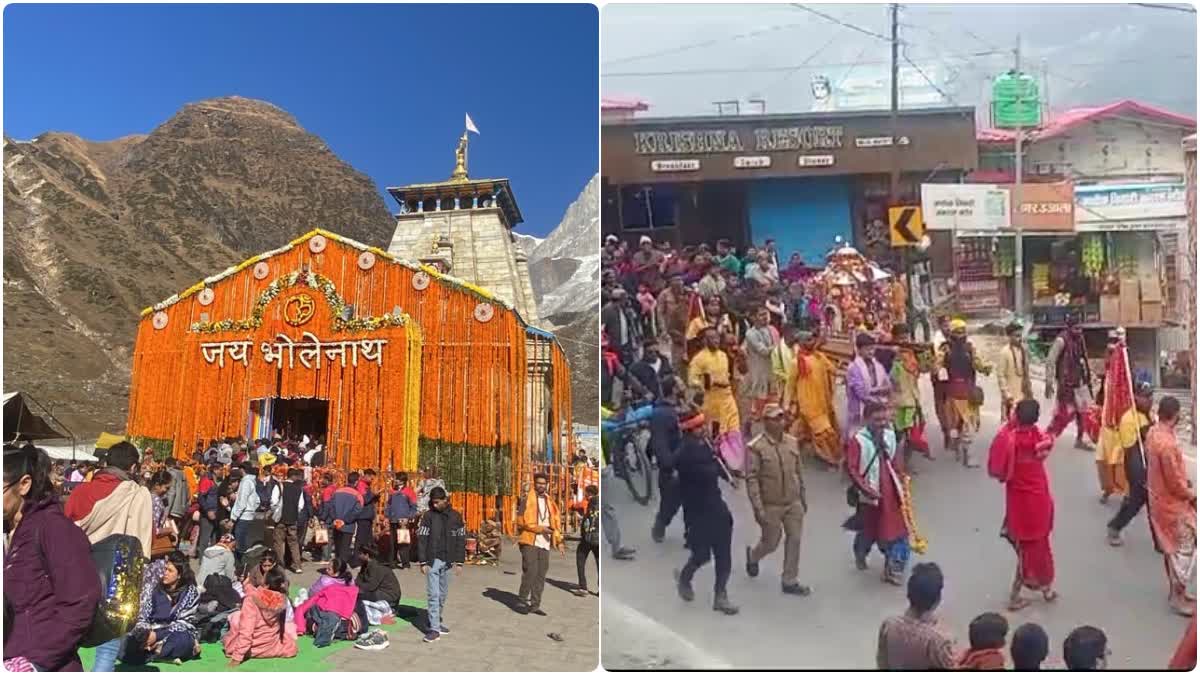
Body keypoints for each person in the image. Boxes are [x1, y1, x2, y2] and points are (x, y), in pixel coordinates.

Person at [3, 445, 101, 671]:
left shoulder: (54, 528)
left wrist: (36, 660)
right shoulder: (9, 530)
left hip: (41, 663)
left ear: (24, 485)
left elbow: (81, 600)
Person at [64, 440, 155, 672]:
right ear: (133, 467)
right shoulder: (137, 494)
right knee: (108, 642)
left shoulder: (81, 491)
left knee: (67, 641)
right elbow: (141, 543)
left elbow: (64, 532)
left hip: (76, 575)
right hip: (115, 577)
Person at [987, 399, 1058, 611]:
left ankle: (1028, 591)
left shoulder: (1008, 439)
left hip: (1018, 502)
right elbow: (1049, 439)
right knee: (1039, 547)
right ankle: (1038, 589)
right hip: (1039, 499)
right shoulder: (1041, 439)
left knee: (1025, 550)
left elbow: (996, 469)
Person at [673, 409, 739, 615]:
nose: (703, 430)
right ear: (689, 431)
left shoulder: (705, 446)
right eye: (699, 427)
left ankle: (720, 595)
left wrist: (728, 475)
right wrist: (714, 461)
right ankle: (685, 577)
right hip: (698, 511)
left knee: (723, 554)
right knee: (701, 555)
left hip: (716, 506)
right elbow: (706, 471)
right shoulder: (684, 454)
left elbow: (717, 466)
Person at [744, 404, 811, 596]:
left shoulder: (791, 442)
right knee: (771, 542)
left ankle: (789, 580)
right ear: (766, 422)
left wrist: (803, 496)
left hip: (792, 501)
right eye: (776, 418)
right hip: (770, 504)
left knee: (795, 539)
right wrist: (758, 508)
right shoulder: (756, 447)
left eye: (782, 417)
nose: (781, 421)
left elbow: (799, 471)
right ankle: (754, 556)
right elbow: (752, 480)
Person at [846, 401, 910, 585]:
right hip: (870, 496)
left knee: (897, 532)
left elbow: (896, 461)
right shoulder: (858, 440)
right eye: (877, 420)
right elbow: (852, 469)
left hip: (891, 493)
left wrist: (902, 481)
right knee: (869, 531)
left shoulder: (890, 435)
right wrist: (867, 491)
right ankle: (861, 553)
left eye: (884, 419)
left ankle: (892, 569)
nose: (882, 423)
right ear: (866, 419)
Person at [1145, 396, 1197, 616]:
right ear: (1175, 415)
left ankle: (1176, 593)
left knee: (1171, 551)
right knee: (1182, 552)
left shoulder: (1153, 433)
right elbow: (1175, 482)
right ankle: (1178, 596)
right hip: (1172, 506)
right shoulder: (1167, 444)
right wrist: (1192, 495)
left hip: (1159, 500)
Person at [123, 551, 201, 666]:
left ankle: (151, 654)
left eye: (170, 571)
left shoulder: (191, 592)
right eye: (165, 569)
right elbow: (143, 616)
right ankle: (159, 655)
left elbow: (185, 623)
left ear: (179, 575)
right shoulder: (154, 589)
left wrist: (158, 635)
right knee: (127, 643)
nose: (165, 573)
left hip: (176, 632)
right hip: (152, 630)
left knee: (182, 641)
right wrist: (147, 634)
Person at [876, 562, 956, 669]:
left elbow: (882, 661)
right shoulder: (938, 640)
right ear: (937, 601)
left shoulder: (889, 625)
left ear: (908, 594)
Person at [689, 326, 744, 474]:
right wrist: (706, 382)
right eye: (712, 338)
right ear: (705, 341)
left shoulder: (723, 356)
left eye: (717, 338)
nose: (716, 340)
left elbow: (729, 376)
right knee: (718, 434)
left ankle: (735, 464)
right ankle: (721, 461)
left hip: (727, 397)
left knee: (734, 430)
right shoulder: (699, 359)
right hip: (711, 401)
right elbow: (692, 380)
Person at [938, 319, 992, 468]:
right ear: (952, 333)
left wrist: (986, 368)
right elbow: (936, 365)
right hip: (953, 390)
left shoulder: (970, 348)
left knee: (968, 424)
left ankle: (967, 453)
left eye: (963, 331)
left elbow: (978, 363)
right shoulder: (944, 349)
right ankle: (959, 447)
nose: (961, 335)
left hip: (968, 391)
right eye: (958, 332)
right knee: (956, 423)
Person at [1104, 383, 1154, 543]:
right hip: (1136, 465)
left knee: (1149, 502)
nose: (1149, 400)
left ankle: (1160, 539)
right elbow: (1129, 447)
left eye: (1150, 396)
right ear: (1136, 397)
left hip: (1148, 464)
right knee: (1137, 501)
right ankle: (1114, 527)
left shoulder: (1146, 415)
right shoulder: (1128, 419)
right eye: (1145, 396)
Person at [222, 566, 297, 666]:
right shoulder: (282, 600)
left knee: (235, 617)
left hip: (252, 647)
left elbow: (246, 631)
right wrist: (246, 584)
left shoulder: (251, 600)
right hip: (272, 646)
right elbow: (255, 592)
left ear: (266, 585)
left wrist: (237, 658)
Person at [418, 486, 465, 642]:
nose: (435, 504)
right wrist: (423, 561)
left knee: (443, 594)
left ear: (446, 500)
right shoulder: (428, 516)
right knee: (434, 594)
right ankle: (434, 629)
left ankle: (435, 620)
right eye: (433, 502)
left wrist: (460, 561)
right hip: (432, 561)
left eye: (438, 502)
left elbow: (460, 540)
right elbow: (422, 539)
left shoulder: (456, 517)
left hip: (448, 561)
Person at [790, 328, 841, 469]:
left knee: (803, 430)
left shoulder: (819, 357)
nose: (811, 342)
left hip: (823, 402)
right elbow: (790, 384)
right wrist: (788, 404)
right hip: (808, 405)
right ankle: (828, 458)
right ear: (800, 343)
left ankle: (789, 451)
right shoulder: (797, 362)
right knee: (824, 432)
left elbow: (833, 370)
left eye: (812, 339)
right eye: (807, 340)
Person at [1045, 314, 1094, 450]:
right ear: (1069, 327)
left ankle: (1080, 440)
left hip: (1080, 382)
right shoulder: (1061, 340)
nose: (1079, 331)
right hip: (1066, 384)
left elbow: (1083, 358)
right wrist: (1049, 382)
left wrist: (1088, 377)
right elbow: (1050, 360)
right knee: (1063, 415)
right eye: (1076, 328)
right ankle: (1047, 438)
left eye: (1080, 328)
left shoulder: (1080, 339)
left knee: (1083, 413)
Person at [516, 473, 561, 616]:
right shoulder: (526, 500)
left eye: (543, 483)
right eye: (539, 483)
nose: (541, 485)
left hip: (545, 541)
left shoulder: (550, 501)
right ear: (535, 484)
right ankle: (522, 600)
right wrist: (540, 529)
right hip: (530, 539)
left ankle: (535, 605)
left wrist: (559, 541)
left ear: (547, 484)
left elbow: (555, 521)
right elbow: (520, 521)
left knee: (541, 574)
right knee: (531, 570)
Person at [294, 558, 362, 648]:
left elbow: (312, 593)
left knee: (308, 612)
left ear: (337, 572)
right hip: (346, 612)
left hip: (328, 608)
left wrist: (300, 629)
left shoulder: (325, 581)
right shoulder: (350, 582)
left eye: (329, 569)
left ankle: (324, 630)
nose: (326, 570)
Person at [888, 323, 928, 473]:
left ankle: (906, 464)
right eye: (901, 337)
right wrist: (894, 358)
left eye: (906, 337)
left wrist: (924, 355)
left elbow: (924, 369)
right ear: (894, 338)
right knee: (897, 436)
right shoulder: (888, 353)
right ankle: (892, 464)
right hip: (897, 402)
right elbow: (889, 377)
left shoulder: (913, 353)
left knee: (912, 435)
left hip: (913, 399)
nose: (904, 340)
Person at [650, 376, 684, 543]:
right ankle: (661, 523)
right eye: (680, 383)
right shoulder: (661, 414)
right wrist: (669, 465)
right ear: (674, 389)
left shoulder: (682, 407)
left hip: (688, 464)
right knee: (671, 503)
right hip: (671, 467)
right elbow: (660, 443)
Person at [845, 332, 892, 444]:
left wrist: (882, 394)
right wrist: (879, 393)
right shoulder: (854, 368)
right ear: (859, 350)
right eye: (867, 349)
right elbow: (861, 393)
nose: (871, 352)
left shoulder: (877, 365)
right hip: (861, 411)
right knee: (860, 442)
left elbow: (887, 384)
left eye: (872, 349)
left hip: (877, 407)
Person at [740, 307, 779, 430]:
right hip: (758, 369)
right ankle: (750, 426)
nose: (765, 317)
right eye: (761, 315)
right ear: (753, 317)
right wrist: (780, 347)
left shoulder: (771, 329)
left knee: (772, 398)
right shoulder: (750, 334)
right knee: (758, 399)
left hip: (771, 368)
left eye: (766, 314)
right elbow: (763, 351)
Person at [354, 545, 401, 627]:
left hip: (389, 595)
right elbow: (359, 579)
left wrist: (357, 587)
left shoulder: (377, 567)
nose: (358, 556)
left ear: (367, 555)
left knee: (359, 596)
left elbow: (370, 586)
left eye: (360, 554)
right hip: (377, 591)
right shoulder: (366, 564)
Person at [274, 467, 310, 573]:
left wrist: (275, 512)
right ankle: (297, 565)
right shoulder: (298, 489)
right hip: (292, 519)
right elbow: (300, 505)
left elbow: (274, 501)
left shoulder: (280, 486)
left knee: (279, 542)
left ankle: (280, 565)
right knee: (293, 542)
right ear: (294, 477)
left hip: (281, 518)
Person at [995, 322, 1033, 421]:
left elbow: (1026, 374)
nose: (1019, 338)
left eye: (1020, 336)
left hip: (1023, 396)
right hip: (1010, 398)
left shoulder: (1023, 351)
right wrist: (1006, 394)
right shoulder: (1004, 352)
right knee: (1009, 428)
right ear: (1010, 336)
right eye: (1016, 336)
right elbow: (1000, 375)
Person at [657, 274, 691, 367]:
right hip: (671, 328)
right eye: (675, 280)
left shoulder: (688, 292)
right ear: (670, 282)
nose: (678, 282)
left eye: (680, 280)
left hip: (687, 326)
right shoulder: (664, 294)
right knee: (675, 352)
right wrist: (663, 329)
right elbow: (660, 313)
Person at [229, 463, 262, 560]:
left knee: (239, 543)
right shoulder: (251, 482)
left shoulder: (246, 482)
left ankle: (242, 565)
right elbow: (257, 500)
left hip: (243, 516)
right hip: (247, 515)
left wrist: (234, 518)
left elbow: (242, 502)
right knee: (241, 540)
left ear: (242, 470)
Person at [930, 315, 953, 450]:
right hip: (939, 378)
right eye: (945, 325)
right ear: (940, 326)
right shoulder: (936, 341)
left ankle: (952, 431)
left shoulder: (954, 338)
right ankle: (946, 431)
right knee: (941, 405)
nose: (948, 327)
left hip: (952, 377)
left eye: (949, 324)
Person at [386, 475, 418, 568]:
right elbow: (389, 505)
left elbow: (413, 506)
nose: (395, 480)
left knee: (403, 542)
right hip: (393, 520)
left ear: (403, 481)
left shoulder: (409, 491)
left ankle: (405, 563)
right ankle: (392, 562)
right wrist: (387, 516)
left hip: (403, 521)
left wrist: (408, 517)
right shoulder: (392, 491)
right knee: (393, 542)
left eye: (397, 479)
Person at [575, 484, 601, 596]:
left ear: (589, 493)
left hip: (588, 538)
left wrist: (582, 519)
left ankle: (583, 587)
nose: (585, 495)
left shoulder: (591, 503)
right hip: (599, 539)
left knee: (580, 559)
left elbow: (588, 522)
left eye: (586, 493)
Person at [195, 463, 223, 558]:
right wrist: (207, 511)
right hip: (208, 514)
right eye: (220, 469)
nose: (222, 472)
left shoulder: (216, 481)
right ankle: (202, 560)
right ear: (215, 470)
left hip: (216, 513)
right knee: (205, 538)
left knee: (214, 538)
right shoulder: (207, 480)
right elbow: (201, 497)